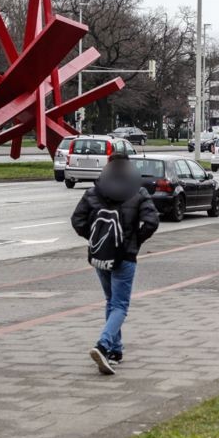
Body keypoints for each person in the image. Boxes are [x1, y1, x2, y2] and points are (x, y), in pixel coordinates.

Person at [71, 153, 159, 375]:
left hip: (101, 255)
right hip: (125, 257)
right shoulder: (137, 191)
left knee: (111, 300)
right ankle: (102, 345)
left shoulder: (94, 191)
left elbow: (77, 220)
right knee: (120, 305)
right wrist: (135, 241)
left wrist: (95, 239)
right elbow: (151, 221)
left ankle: (115, 350)